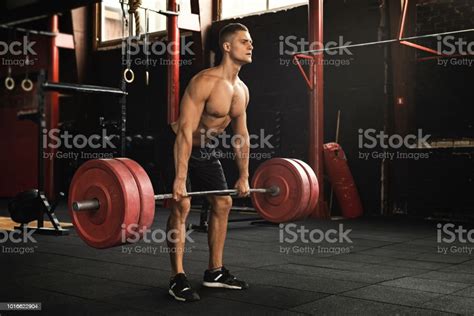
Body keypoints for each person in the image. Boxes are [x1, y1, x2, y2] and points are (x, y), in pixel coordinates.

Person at [160, 23, 253, 302]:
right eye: (244, 41)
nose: (251, 46)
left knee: (223, 202)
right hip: (177, 144)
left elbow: (241, 136)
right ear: (227, 47)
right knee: (183, 204)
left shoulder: (242, 91)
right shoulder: (204, 82)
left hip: (206, 148)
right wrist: (179, 178)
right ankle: (177, 277)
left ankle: (215, 272)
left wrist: (244, 175)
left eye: (251, 42)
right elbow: (186, 132)